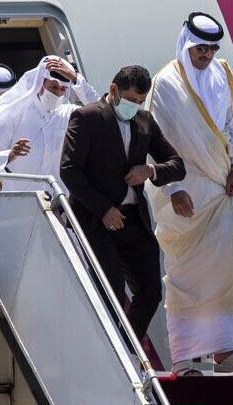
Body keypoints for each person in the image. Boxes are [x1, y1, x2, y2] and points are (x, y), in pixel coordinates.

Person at [146, 12, 233, 376]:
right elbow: (155, 142)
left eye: (211, 48)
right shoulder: (166, 84)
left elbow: (232, 131)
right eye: (200, 48)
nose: (206, 55)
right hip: (184, 193)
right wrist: (173, 189)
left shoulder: (222, 76)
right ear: (187, 44)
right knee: (187, 278)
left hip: (220, 188)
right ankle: (183, 357)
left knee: (230, 270)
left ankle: (226, 350)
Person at [60, 65, 185, 341]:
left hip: (133, 219)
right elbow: (69, 171)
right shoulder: (87, 117)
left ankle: (127, 347)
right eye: (130, 100)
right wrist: (104, 209)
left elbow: (177, 165)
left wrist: (150, 171)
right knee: (112, 290)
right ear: (113, 90)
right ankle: (106, 350)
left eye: (140, 101)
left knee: (150, 292)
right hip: (96, 220)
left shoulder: (144, 121)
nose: (135, 106)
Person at [0, 56, 98, 191]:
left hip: (60, 199)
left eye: (63, 89)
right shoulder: (14, 113)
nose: (58, 93)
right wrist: (9, 155)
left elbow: (102, 113)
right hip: (22, 200)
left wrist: (76, 79)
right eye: (53, 87)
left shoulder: (69, 115)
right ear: (40, 83)